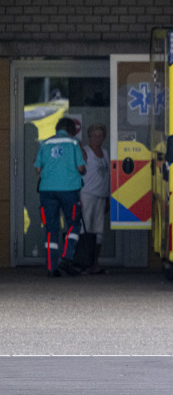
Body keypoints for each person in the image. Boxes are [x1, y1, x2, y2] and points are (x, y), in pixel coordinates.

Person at [34, 117, 86, 277]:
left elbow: (37, 169)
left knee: (51, 228)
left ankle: (51, 268)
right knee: (74, 224)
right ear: (72, 130)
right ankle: (67, 257)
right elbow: (81, 167)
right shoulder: (74, 143)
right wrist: (81, 171)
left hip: (47, 191)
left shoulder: (45, 143)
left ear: (57, 129)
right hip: (69, 190)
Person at [80, 123, 111, 274]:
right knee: (85, 230)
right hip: (87, 195)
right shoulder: (86, 152)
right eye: (95, 136)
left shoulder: (105, 153)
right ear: (89, 137)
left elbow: (108, 176)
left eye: (100, 136)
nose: (98, 139)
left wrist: (108, 197)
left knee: (99, 232)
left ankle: (94, 263)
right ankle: (83, 263)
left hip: (101, 195)